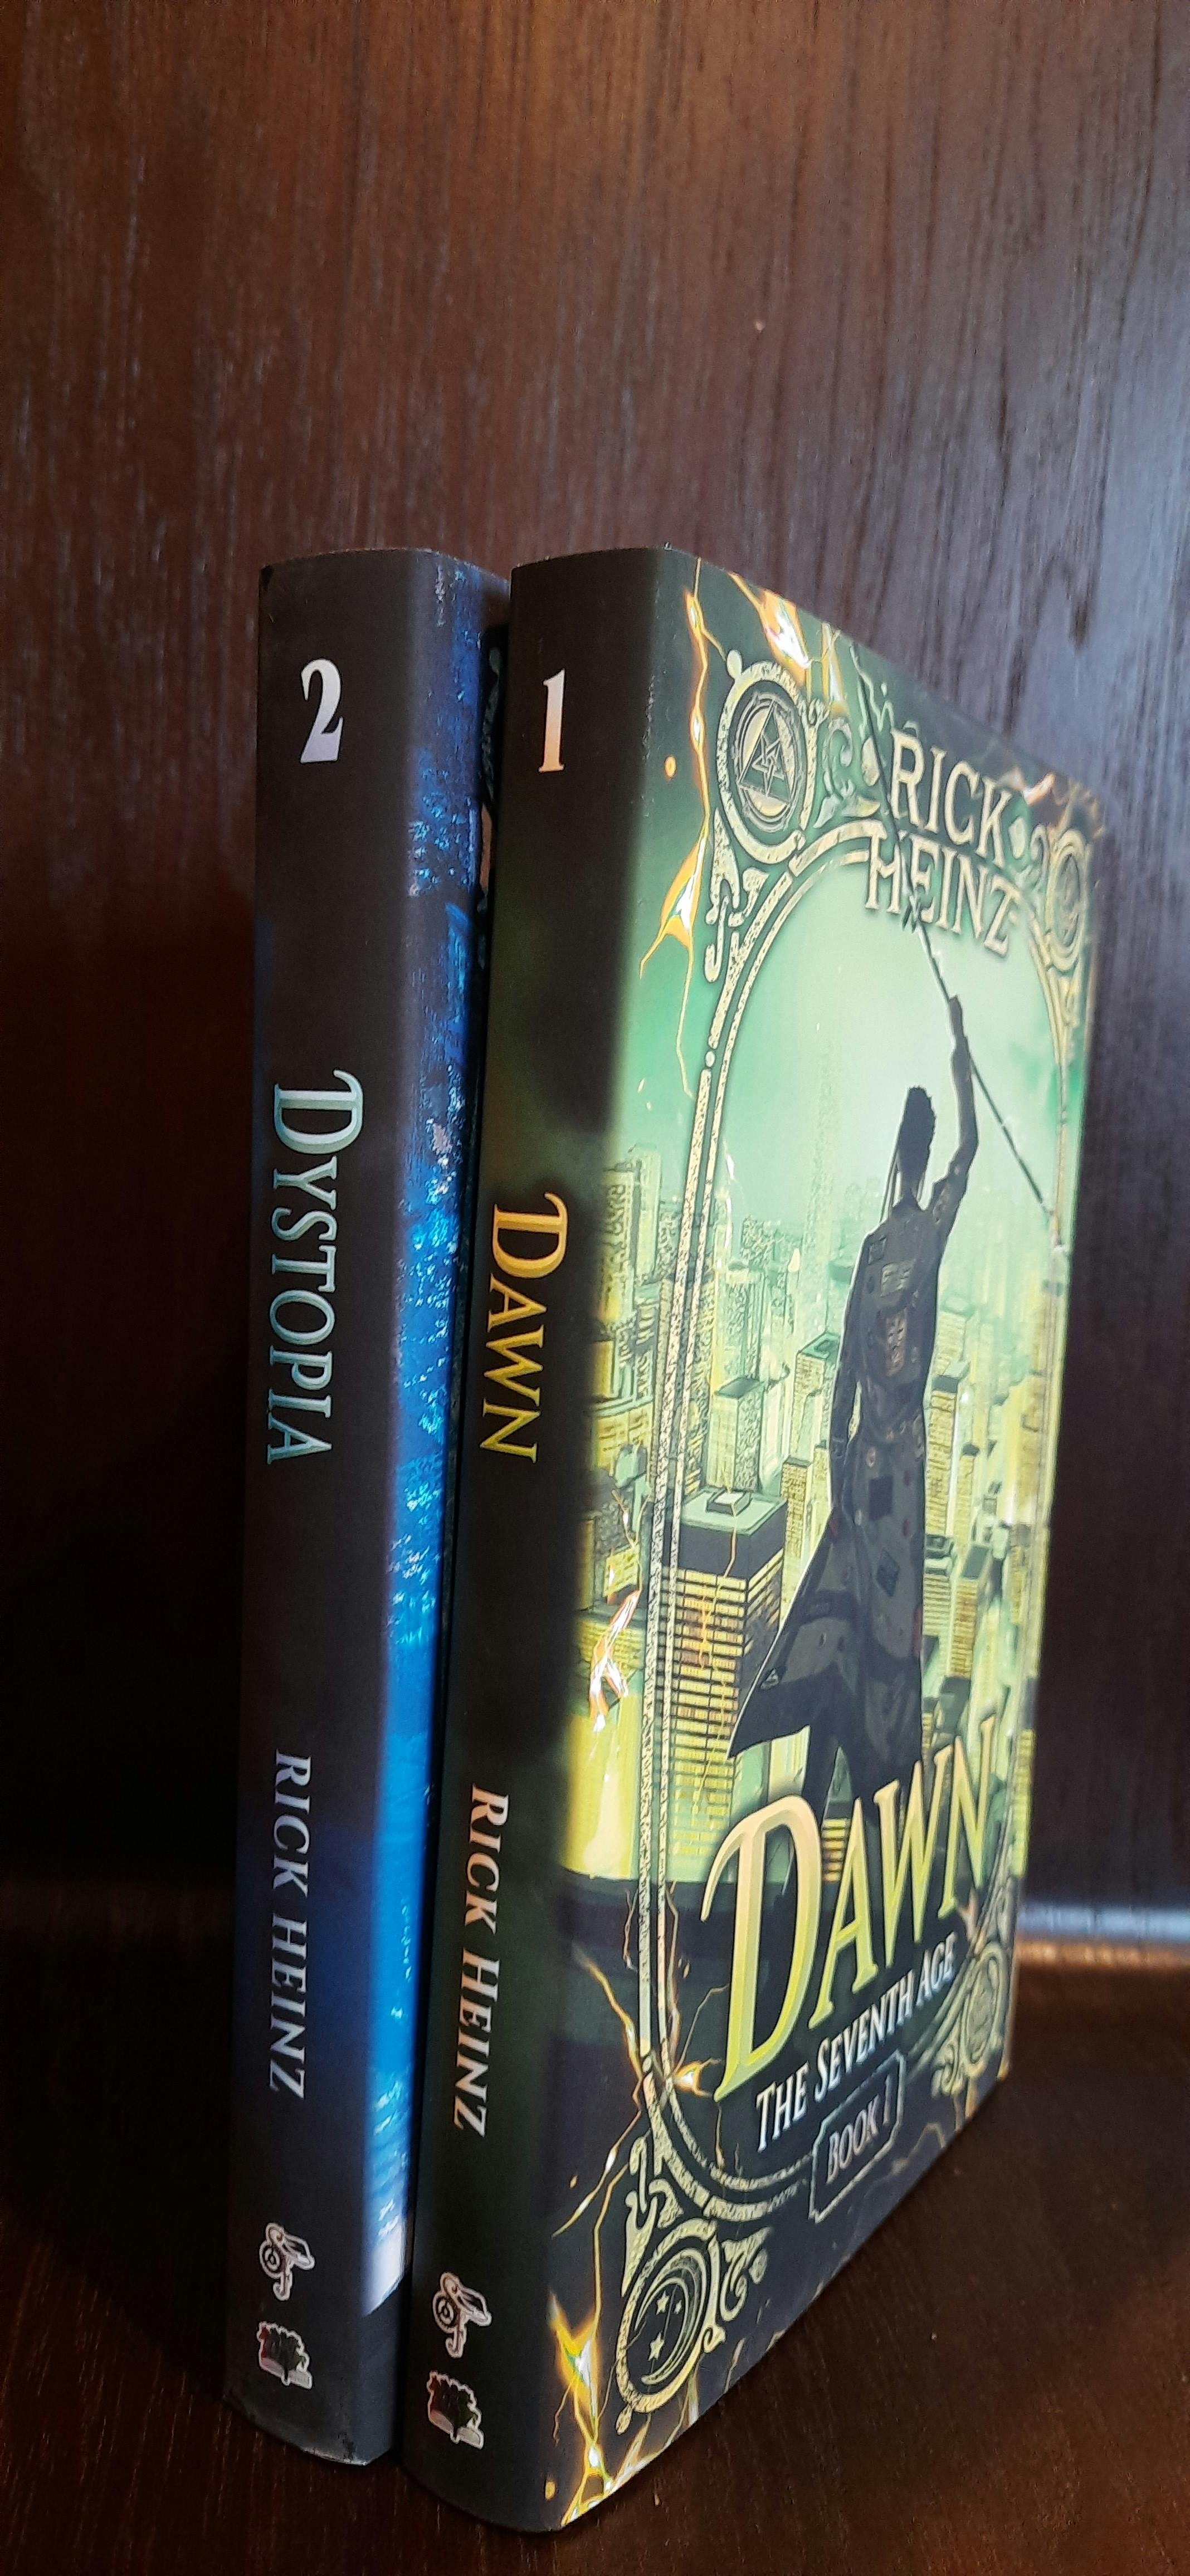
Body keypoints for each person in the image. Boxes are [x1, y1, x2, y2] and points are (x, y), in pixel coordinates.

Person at [731, 996, 978, 1812]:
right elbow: (971, 1149)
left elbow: (841, 1385)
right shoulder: (926, 1236)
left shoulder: (876, 1248)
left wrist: (839, 1486)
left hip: (863, 1475)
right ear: (922, 1158)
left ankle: (815, 1799)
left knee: (838, 1632)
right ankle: (870, 1804)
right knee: (883, 1655)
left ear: (896, 1158)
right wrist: (961, 1050)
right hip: (898, 1486)